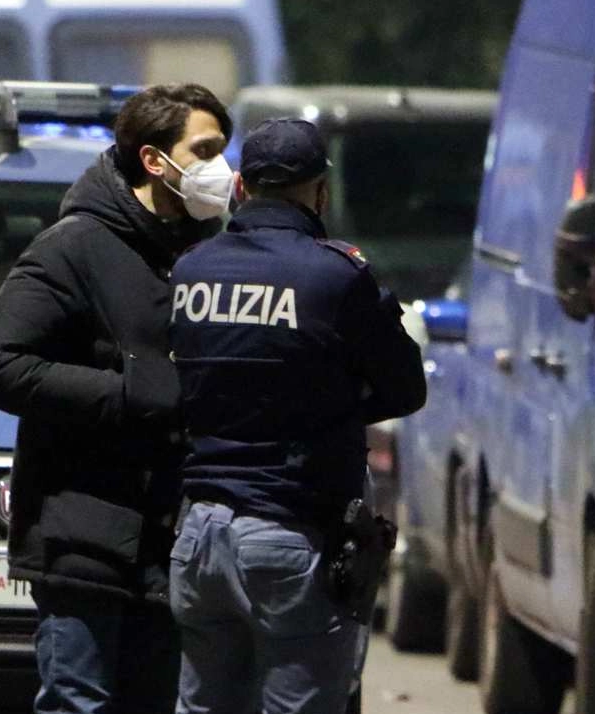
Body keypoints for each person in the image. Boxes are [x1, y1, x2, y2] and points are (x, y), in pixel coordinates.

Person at [0, 83, 235, 714]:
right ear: (154, 160)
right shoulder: (76, 247)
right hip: (85, 537)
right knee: (79, 700)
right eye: (203, 150)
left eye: (224, 150)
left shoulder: (206, 250)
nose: (220, 168)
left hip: (172, 541)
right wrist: (131, 393)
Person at [166, 118, 426, 714]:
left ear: (241, 187)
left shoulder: (192, 270)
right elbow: (405, 388)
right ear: (320, 192)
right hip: (289, 535)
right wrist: (329, 404)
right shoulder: (336, 275)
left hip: (199, 536)